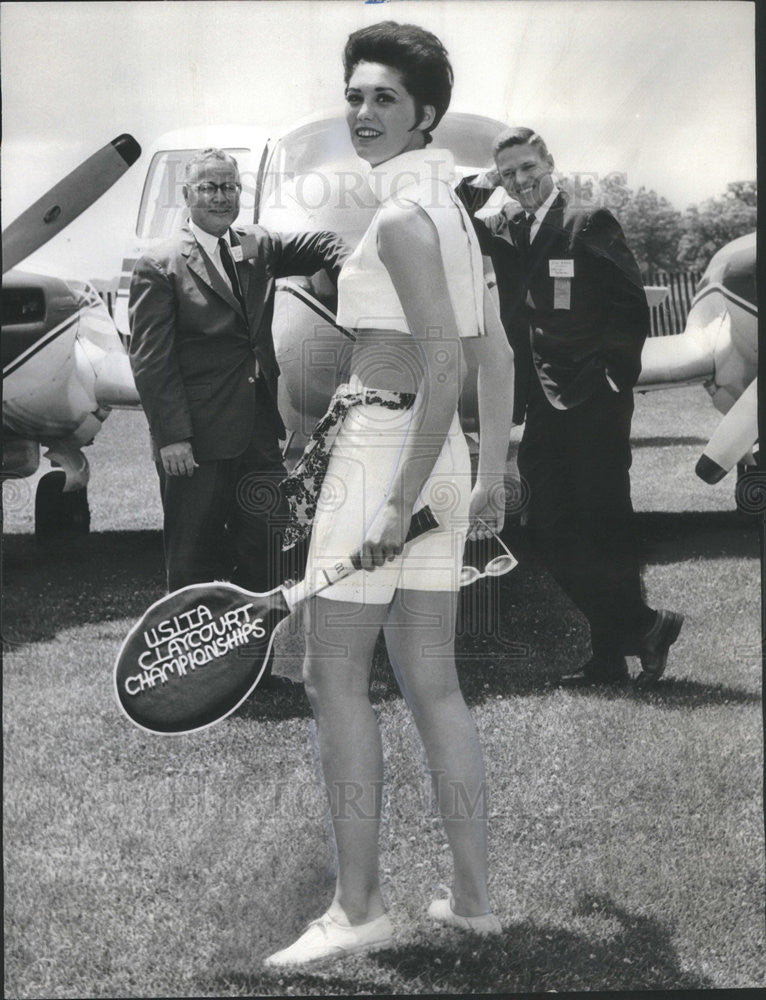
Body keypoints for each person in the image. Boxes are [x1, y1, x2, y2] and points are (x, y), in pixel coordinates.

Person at [264, 22, 515, 969]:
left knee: (333, 677)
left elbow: (448, 363)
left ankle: (358, 905)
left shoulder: (406, 218)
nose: (363, 113)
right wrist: (482, 477)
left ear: (426, 115)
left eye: (384, 99)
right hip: (434, 452)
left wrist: (391, 503)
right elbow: (494, 351)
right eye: (356, 95)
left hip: (387, 450)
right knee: (432, 679)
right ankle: (474, 899)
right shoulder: (451, 210)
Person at [456, 127, 683, 686]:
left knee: (602, 525)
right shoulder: (503, 225)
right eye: (508, 174)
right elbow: (453, 212)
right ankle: (645, 624)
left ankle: (609, 657)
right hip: (542, 400)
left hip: (593, 398)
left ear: (551, 164)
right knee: (552, 527)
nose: (521, 182)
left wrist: (613, 379)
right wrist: (484, 181)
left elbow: (629, 305)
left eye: (529, 168)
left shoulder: (589, 220)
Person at [128, 148, 348, 596]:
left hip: (258, 434)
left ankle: (256, 665)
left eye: (230, 187)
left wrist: (358, 273)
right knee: (193, 563)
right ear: (187, 195)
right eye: (209, 187)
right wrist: (172, 436)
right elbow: (152, 359)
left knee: (268, 552)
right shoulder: (160, 263)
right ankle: (195, 663)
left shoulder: (258, 245)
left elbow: (323, 244)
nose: (221, 196)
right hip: (196, 441)